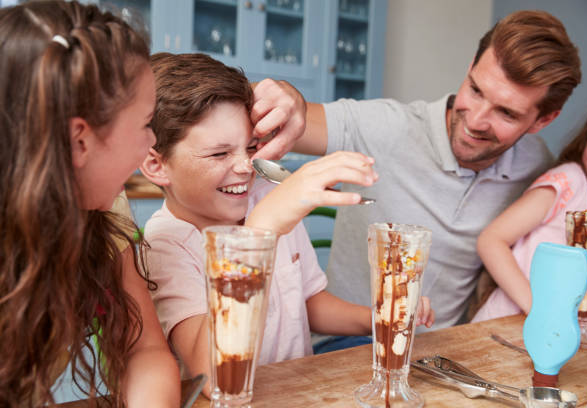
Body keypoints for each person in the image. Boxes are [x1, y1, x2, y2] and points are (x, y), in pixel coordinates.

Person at [253, 10, 582, 330]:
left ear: (543, 120)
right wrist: (287, 101)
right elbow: (274, 120)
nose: (476, 120)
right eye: (476, 90)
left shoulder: (537, 166)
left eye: (506, 113)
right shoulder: (388, 125)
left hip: (441, 356)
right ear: (470, 68)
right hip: (347, 346)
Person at [138, 52, 435, 396]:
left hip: (297, 390)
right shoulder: (164, 244)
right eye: (219, 154)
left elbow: (308, 302)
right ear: (157, 165)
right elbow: (214, 374)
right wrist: (261, 232)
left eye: (251, 147)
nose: (247, 167)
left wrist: (379, 316)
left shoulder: (264, 197)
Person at [0, 1, 181, 406]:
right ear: (79, 140)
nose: (153, 141)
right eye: (145, 123)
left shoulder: (103, 205)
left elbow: (146, 350)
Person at [472, 90, 587, 322]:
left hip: (556, 332)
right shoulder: (569, 181)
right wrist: (538, 309)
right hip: (506, 323)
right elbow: (491, 240)